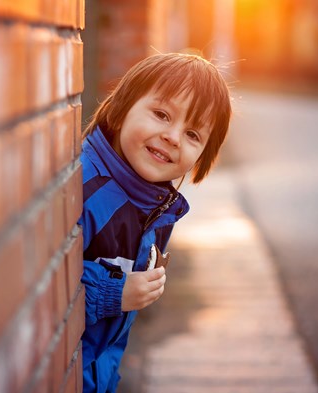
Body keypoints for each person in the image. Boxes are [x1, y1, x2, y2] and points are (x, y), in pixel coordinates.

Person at [78, 52, 232, 392]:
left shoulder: (153, 203)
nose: (173, 137)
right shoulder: (84, 190)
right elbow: (43, 289)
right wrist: (113, 291)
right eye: (162, 115)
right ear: (122, 109)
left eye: (193, 135)